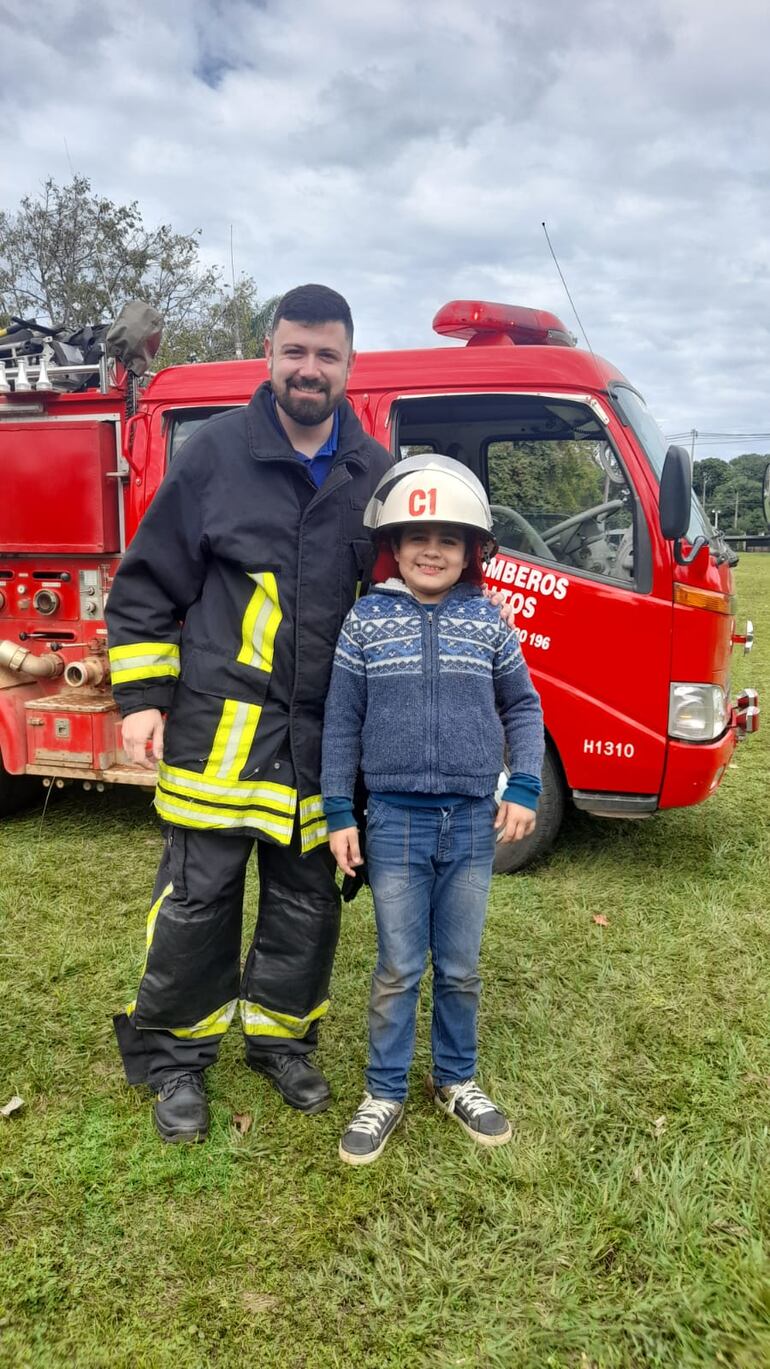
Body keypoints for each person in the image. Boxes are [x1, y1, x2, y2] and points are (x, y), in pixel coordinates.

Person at [106, 284, 392, 1143]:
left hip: (319, 746)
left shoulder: (374, 473)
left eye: (327, 355)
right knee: (198, 901)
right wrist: (142, 700)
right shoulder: (215, 455)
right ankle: (177, 1060)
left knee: (309, 900)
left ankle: (281, 1041)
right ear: (270, 353)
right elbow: (149, 582)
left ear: (349, 364)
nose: (310, 369)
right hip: (218, 736)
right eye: (295, 351)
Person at [321, 455, 545, 1165]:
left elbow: (524, 705)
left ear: (473, 550)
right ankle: (384, 1091)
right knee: (397, 965)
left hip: (473, 822)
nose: (432, 550)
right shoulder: (364, 621)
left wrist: (526, 783)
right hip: (393, 820)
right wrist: (337, 812)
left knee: (460, 965)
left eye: (449, 538)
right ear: (393, 544)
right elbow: (340, 722)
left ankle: (456, 1079)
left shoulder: (489, 621)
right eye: (417, 535)